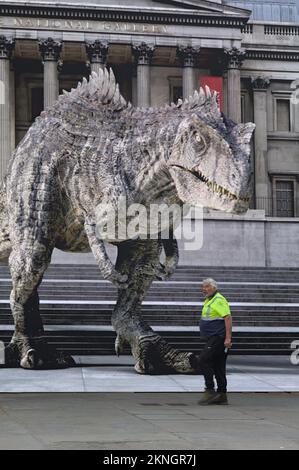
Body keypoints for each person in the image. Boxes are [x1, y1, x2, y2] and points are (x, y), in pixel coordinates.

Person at [196, 278, 232, 405]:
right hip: (213, 337)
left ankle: (210, 390)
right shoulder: (210, 300)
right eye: (203, 287)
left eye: (206, 287)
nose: (204, 289)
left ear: (214, 287)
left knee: (203, 360)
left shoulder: (219, 300)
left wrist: (228, 338)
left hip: (218, 337)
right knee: (218, 365)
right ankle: (222, 395)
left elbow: (227, 317)